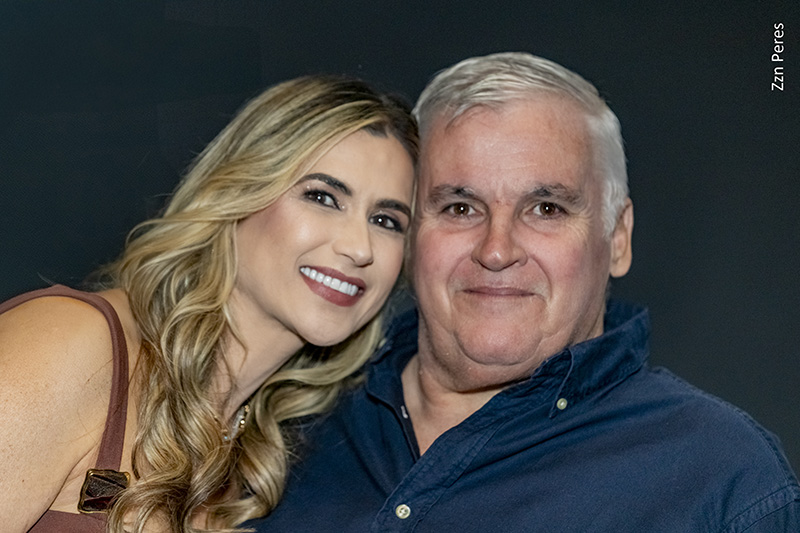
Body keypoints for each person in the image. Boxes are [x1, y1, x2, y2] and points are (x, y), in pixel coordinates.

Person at [247, 53, 800, 532]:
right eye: (460, 208)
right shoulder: (282, 422)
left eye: (546, 209)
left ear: (618, 237)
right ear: (411, 235)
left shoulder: (722, 481)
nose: (496, 250)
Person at [0, 75, 418, 532]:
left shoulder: (252, 463)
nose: (359, 248)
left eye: (386, 220)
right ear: (238, 191)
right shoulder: (74, 345)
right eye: (323, 197)